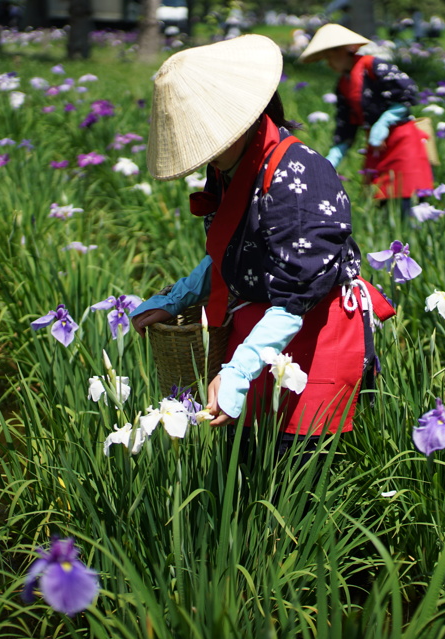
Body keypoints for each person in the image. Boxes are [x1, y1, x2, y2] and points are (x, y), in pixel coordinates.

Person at [130, 35, 394, 449]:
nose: (203, 156)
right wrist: (178, 297)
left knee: (296, 468)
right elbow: (233, 248)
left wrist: (237, 370)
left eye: (209, 142)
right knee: (247, 457)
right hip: (258, 329)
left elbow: (297, 291)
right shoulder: (230, 164)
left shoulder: (300, 176)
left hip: (310, 329)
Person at [299, 23, 434, 215]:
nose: (328, 63)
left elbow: (407, 92)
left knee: (408, 198)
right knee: (382, 202)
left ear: (344, 51)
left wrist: (385, 121)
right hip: (377, 145)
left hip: (402, 140)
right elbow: (346, 122)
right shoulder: (343, 84)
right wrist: (336, 153)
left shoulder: (374, 66)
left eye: (329, 56)